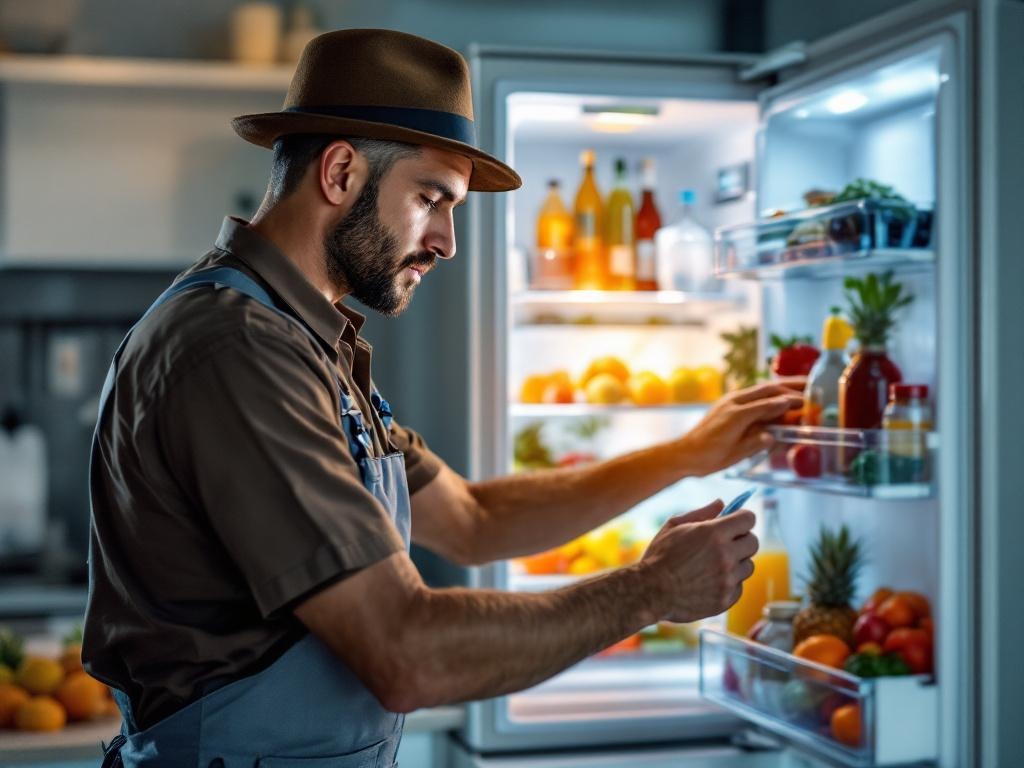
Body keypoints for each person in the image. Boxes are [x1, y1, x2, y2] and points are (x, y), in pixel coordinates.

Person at [84, 28, 802, 767]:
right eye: (431, 199)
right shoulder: (237, 350)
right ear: (339, 173)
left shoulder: (308, 342)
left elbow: (474, 521)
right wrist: (648, 591)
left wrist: (688, 453)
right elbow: (404, 653)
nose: (448, 241)